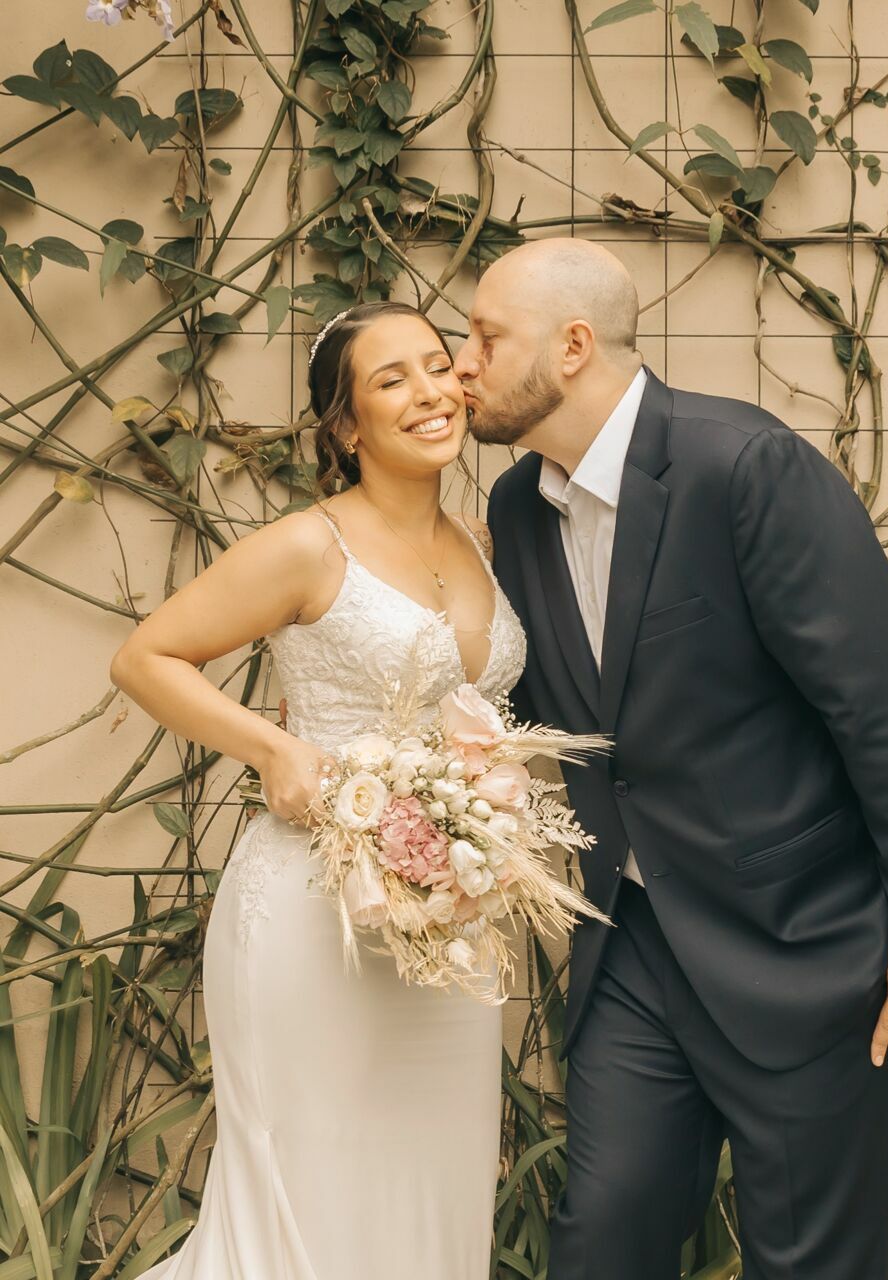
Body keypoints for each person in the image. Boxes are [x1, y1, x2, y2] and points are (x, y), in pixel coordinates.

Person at [459, 237, 888, 1279]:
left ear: (573, 345)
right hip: (633, 940)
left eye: (485, 336)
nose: (463, 361)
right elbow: (558, 708)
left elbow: (884, 701)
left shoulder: (744, 465)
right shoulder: (514, 510)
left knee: (813, 1260)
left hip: (808, 941)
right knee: (604, 1236)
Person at [109, 301, 523, 1280]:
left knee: (433, 1176)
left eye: (436, 366)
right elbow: (145, 656)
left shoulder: (479, 539)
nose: (429, 391)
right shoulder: (308, 546)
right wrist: (269, 747)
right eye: (392, 380)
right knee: (313, 1188)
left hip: (446, 928)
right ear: (345, 426)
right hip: (310, 912)